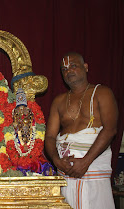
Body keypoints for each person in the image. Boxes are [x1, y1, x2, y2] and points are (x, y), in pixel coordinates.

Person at [45, 52, 118, 209]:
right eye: (64, 69)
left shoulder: (102, 92)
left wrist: (85, 162)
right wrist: (56, 160)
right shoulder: (59, 101)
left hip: (93, 168)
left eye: (73, 66)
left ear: (85, 67)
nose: (68, 70)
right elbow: (50, 137)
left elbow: (110, 130)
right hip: (65, 170)